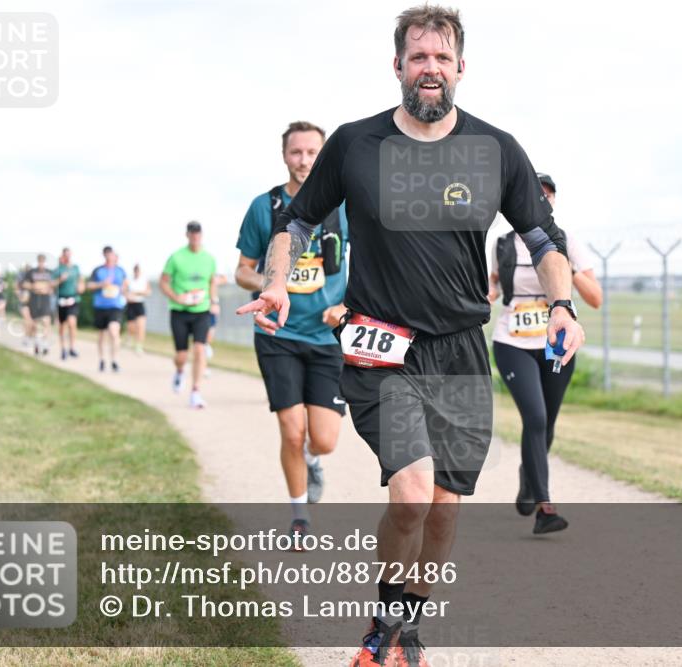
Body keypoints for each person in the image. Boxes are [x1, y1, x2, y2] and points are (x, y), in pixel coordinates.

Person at [237, 7, 585, 666]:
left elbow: (541, 238)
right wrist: (279, 279)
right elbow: (300, 221)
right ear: (397, 65)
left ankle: (403, 626)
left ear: (460, 69)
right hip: (381, 345)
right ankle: (380, 631)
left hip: (460, 351)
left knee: (445, 513)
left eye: (442, 58)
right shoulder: (354, 143)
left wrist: (562, 303)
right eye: (418, 57)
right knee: (413, 494)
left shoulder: (496, 149)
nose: (430, 69)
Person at [236, 120, 350, 536]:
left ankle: (313, 460)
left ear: (324, 156)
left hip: (327, 338)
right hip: (277, 335)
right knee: (291, 428)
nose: (304, 161)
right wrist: (270, 284)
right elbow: (241, 271)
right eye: (296, 153)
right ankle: (299, 514)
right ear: (284, 155)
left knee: (323, 439)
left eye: (312, 153)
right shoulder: (264, 207)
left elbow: (373, 264)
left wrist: (347, 304)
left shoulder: (343, 207)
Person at [488, 172, 603, 534]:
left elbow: (595, 299)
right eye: (534, 195)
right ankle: (545, 507)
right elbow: (489, 291)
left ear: (554, 201)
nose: (542, 200)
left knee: (546, 423)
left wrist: (563, 265)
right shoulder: (503, 244)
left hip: (556, 343)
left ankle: (529, 477)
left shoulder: (567, 241)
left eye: (548, 195)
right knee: (535, 419)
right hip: (512, 342)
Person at [160, 221, 218, 408]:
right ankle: (179, 371)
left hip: (201, 310)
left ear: (201, 236)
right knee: (182, 356)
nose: (195, 238)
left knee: (200, 349)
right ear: (187, 235)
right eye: (192, 234)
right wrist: (176, 297)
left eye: (198, 234)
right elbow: (164, 282)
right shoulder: (176, 257)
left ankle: (195, 391)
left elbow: (212, 282)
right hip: (179, 311)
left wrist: (214, 301)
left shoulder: (209, 258)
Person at [87, 246, 128, 372]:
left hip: (115, 305)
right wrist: (102, 284)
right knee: (102, 334)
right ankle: (102, 360)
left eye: (112, 254)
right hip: (100, 305)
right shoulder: (98, 270)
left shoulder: (120, 270)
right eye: (107, 254)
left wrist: (123, 290)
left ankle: (114, 360)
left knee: (114, 331)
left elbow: (125, 285)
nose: (110, 257)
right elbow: (89, 285)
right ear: (104, 255)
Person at [53, 248, 85, 360]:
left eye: (69, 255)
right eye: (65, 255)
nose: (67, 257)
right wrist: (60, 280)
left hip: (73, 299)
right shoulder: (58, 270)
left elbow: (81, 281)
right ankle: (63, 349)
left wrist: (81, 287)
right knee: (62, 326)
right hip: (61, 299)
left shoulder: (75, 268)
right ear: (63, 256)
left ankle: (72, 347)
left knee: (72, 322)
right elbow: (52, 284)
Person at [21, 255, 55, 356]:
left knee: (46, 321)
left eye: (43, 261)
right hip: (34, 299)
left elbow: (53, 285)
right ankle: (37, 344)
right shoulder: (31, 272)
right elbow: (24, 284)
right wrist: (34, 286)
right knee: (35, 323)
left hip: (45, 299)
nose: (41, 263)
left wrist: (48, 289)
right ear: (38, 261)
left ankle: (44, 343)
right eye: (40, 261)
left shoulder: (49, 273)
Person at [126, 264, 151, 355]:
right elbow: (124, 290)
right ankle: (129, 337)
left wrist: (138, 292)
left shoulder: (144, 280)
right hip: (131, 304)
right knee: (131, 326)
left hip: (140, 304)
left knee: (141, 326)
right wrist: (127, 295)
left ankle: (139, 346)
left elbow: (148, 292)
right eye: (136, 270)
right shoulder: (129, 279)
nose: (137, 272)